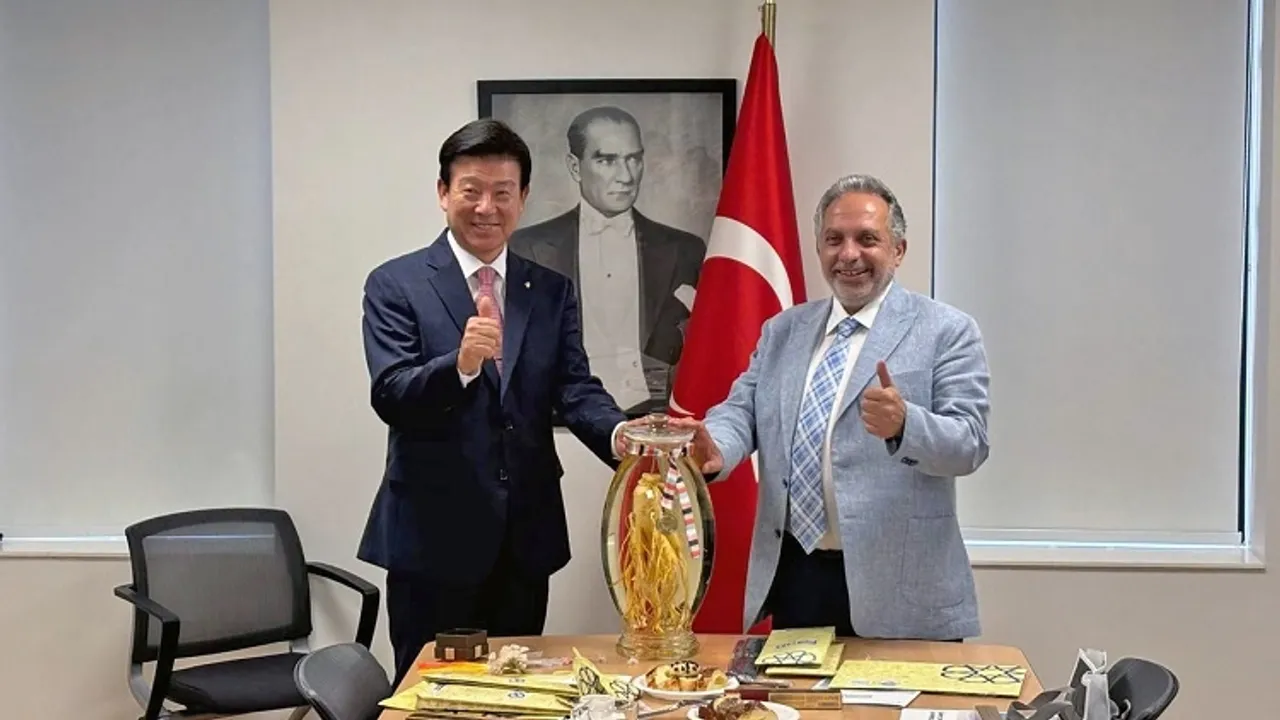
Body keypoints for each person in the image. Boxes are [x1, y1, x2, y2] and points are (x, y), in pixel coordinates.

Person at [356, 119, 630, 684]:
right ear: (443, 193)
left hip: (524, 540)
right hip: (432, 539)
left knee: (518, 690)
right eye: (471, 191)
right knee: (434, 695)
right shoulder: (396, 283)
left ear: (522, 198)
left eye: (502, 192)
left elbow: (574, 388)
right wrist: (458, 366)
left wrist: (621, 437)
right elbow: (391, 394)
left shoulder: (549, 289)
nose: (487, 207)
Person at [679, 173, 990, 641]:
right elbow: (743, 410)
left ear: (898, 250)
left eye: (867, 239)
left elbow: (969, 444)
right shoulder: (784, 330)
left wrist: (906, 425)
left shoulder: (947, 330)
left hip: (902, 588)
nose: (848, 254)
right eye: (834, 239)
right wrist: (716, 446)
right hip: (798, 576)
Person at [509, 105, 705, 415]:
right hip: (557, 421)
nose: (626, 176)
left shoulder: (686, 250)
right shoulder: (525, 247)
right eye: (607, 160)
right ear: (575, 167)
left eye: (634, 159)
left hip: (654, 422)